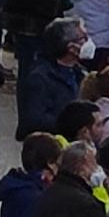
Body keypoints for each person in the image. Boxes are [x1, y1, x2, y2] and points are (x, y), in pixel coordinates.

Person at [17, 15, 88, 143]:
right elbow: (33, 119)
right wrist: (70, 123)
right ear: (70, 46)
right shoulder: (40, 78)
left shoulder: (80, 73)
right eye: (84, 39)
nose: (89, 43)